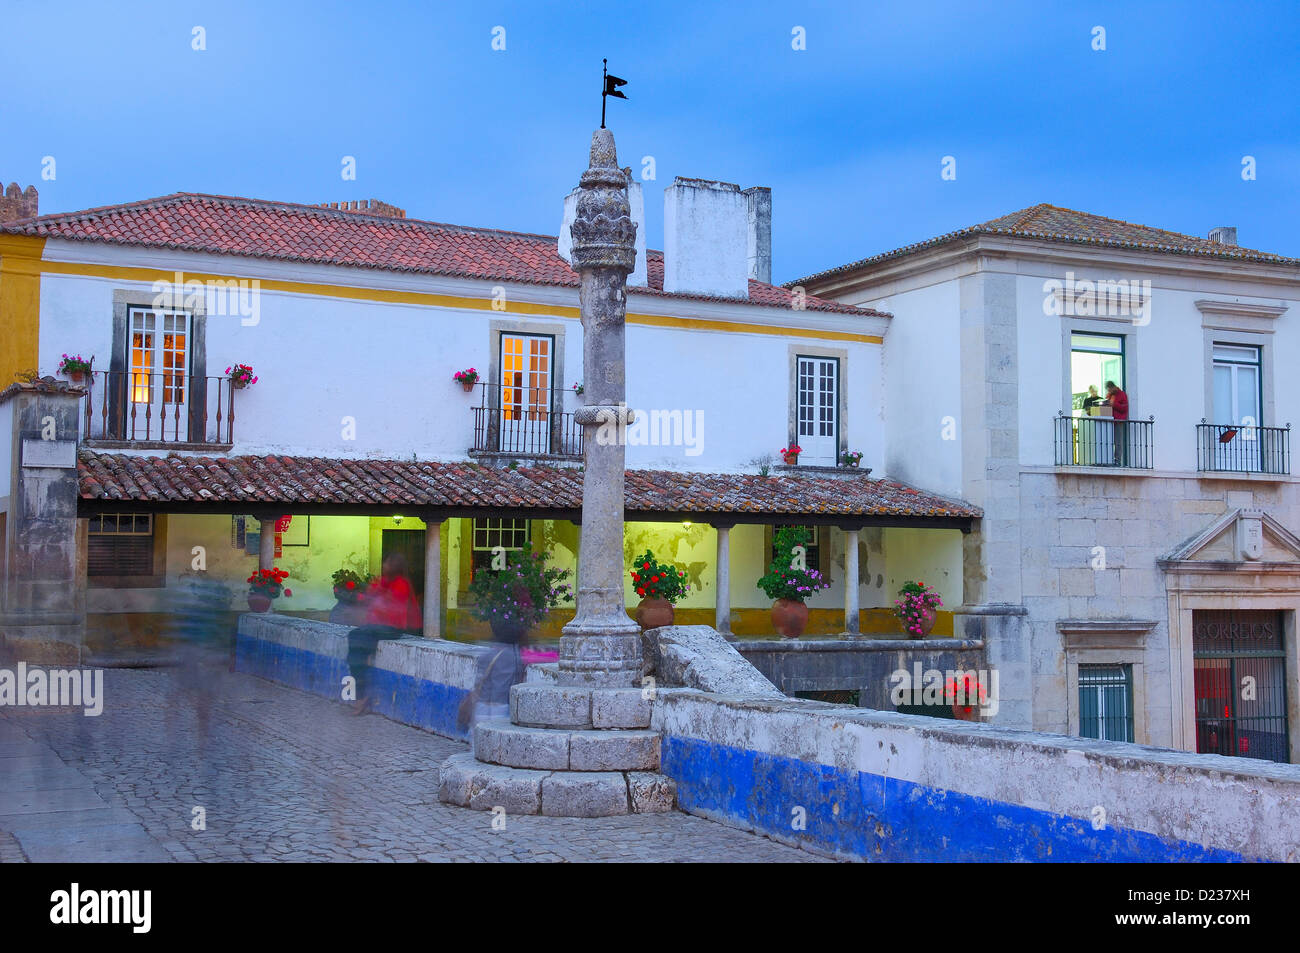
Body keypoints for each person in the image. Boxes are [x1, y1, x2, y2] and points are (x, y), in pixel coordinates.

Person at [346, 553, 421, 715]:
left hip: (392, 628)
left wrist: (377, 594)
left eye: (387, 562)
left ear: (394, 566)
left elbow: (390, 606)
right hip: (377, 626)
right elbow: (370, 597)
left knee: (358, 640)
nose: (384, 565)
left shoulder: (401, 584)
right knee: (354, 637)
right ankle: (359, 693)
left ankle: (360, 696)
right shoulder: (382, 581)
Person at [1102, 380, 1129, 465]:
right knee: (1109, 441)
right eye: (1108, 390)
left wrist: (1114, 404)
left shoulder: (1122, 395)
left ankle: (1117, 461)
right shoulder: (1109, 395)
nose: (1108, 391)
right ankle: (1108, 460)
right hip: (1110, 421)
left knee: (1118, 442)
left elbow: (1124, 408)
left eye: (1109, 389)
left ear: (1113, 387)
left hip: (1118, 421)